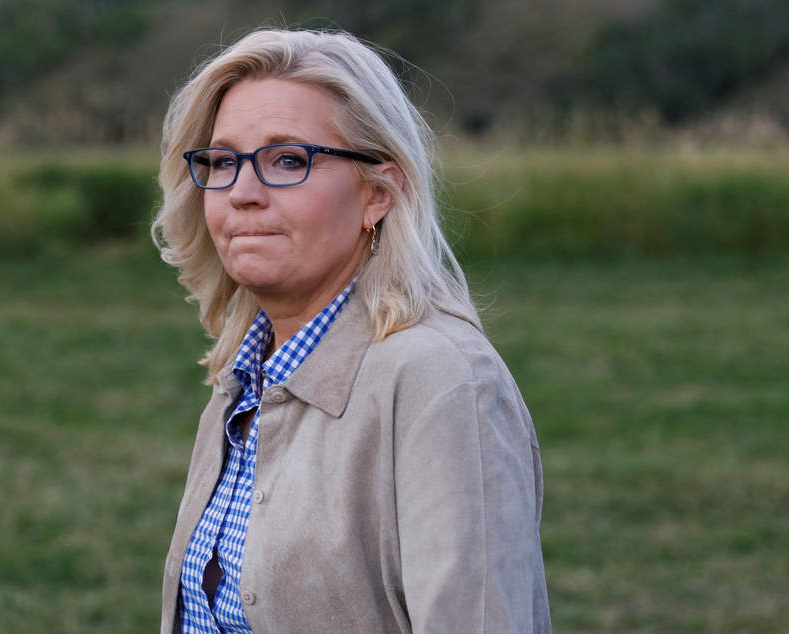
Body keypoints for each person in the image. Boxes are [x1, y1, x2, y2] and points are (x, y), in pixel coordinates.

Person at [152, 27, 551, 633]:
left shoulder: (441, 381)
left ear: (379, 192)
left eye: (288, 160)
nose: (242, 192)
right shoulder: (248, 372)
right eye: (223, 161)